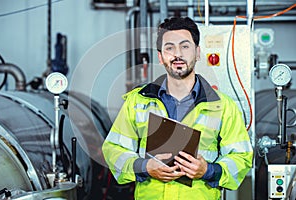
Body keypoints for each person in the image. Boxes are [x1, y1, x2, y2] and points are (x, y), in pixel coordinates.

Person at [102, 16, 253, 200]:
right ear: (160, 56)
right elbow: (114, 150)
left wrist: (208, 170)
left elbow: (242, 157)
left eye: (185, 46)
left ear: (197, 53)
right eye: (169, 48)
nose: (177, 54)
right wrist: (145, 167)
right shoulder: (137, 102)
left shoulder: (223, 106)